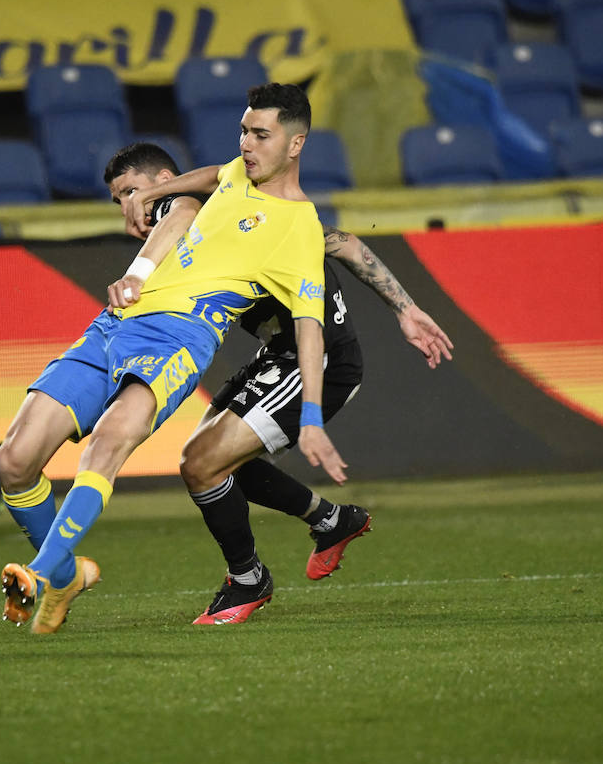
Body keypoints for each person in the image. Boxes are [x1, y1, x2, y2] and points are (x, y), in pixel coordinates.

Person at [0, 83, 342, 634]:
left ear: (295, 145)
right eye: (243, 132)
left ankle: (38, 573)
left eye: (260, 135)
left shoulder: (298, 228)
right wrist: (144, 195)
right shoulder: (232, 176)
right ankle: (65, 575)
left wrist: (315, 418)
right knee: (12, 462)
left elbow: (309, 327)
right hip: (111, 327)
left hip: (179, 338)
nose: (246, 145)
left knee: (110, 440)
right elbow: (209, 175)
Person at [107, 144, 454, 624]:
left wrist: (406, 309)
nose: (128, 206)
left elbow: (343, 243)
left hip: (319, 359)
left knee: (203, 463)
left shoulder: (254, 216)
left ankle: (248, 580)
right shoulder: (216, 212)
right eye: (118, 200)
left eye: (130, 192)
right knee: (212, 461)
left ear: (165, 178)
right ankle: (333, 521)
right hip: (276, 354)